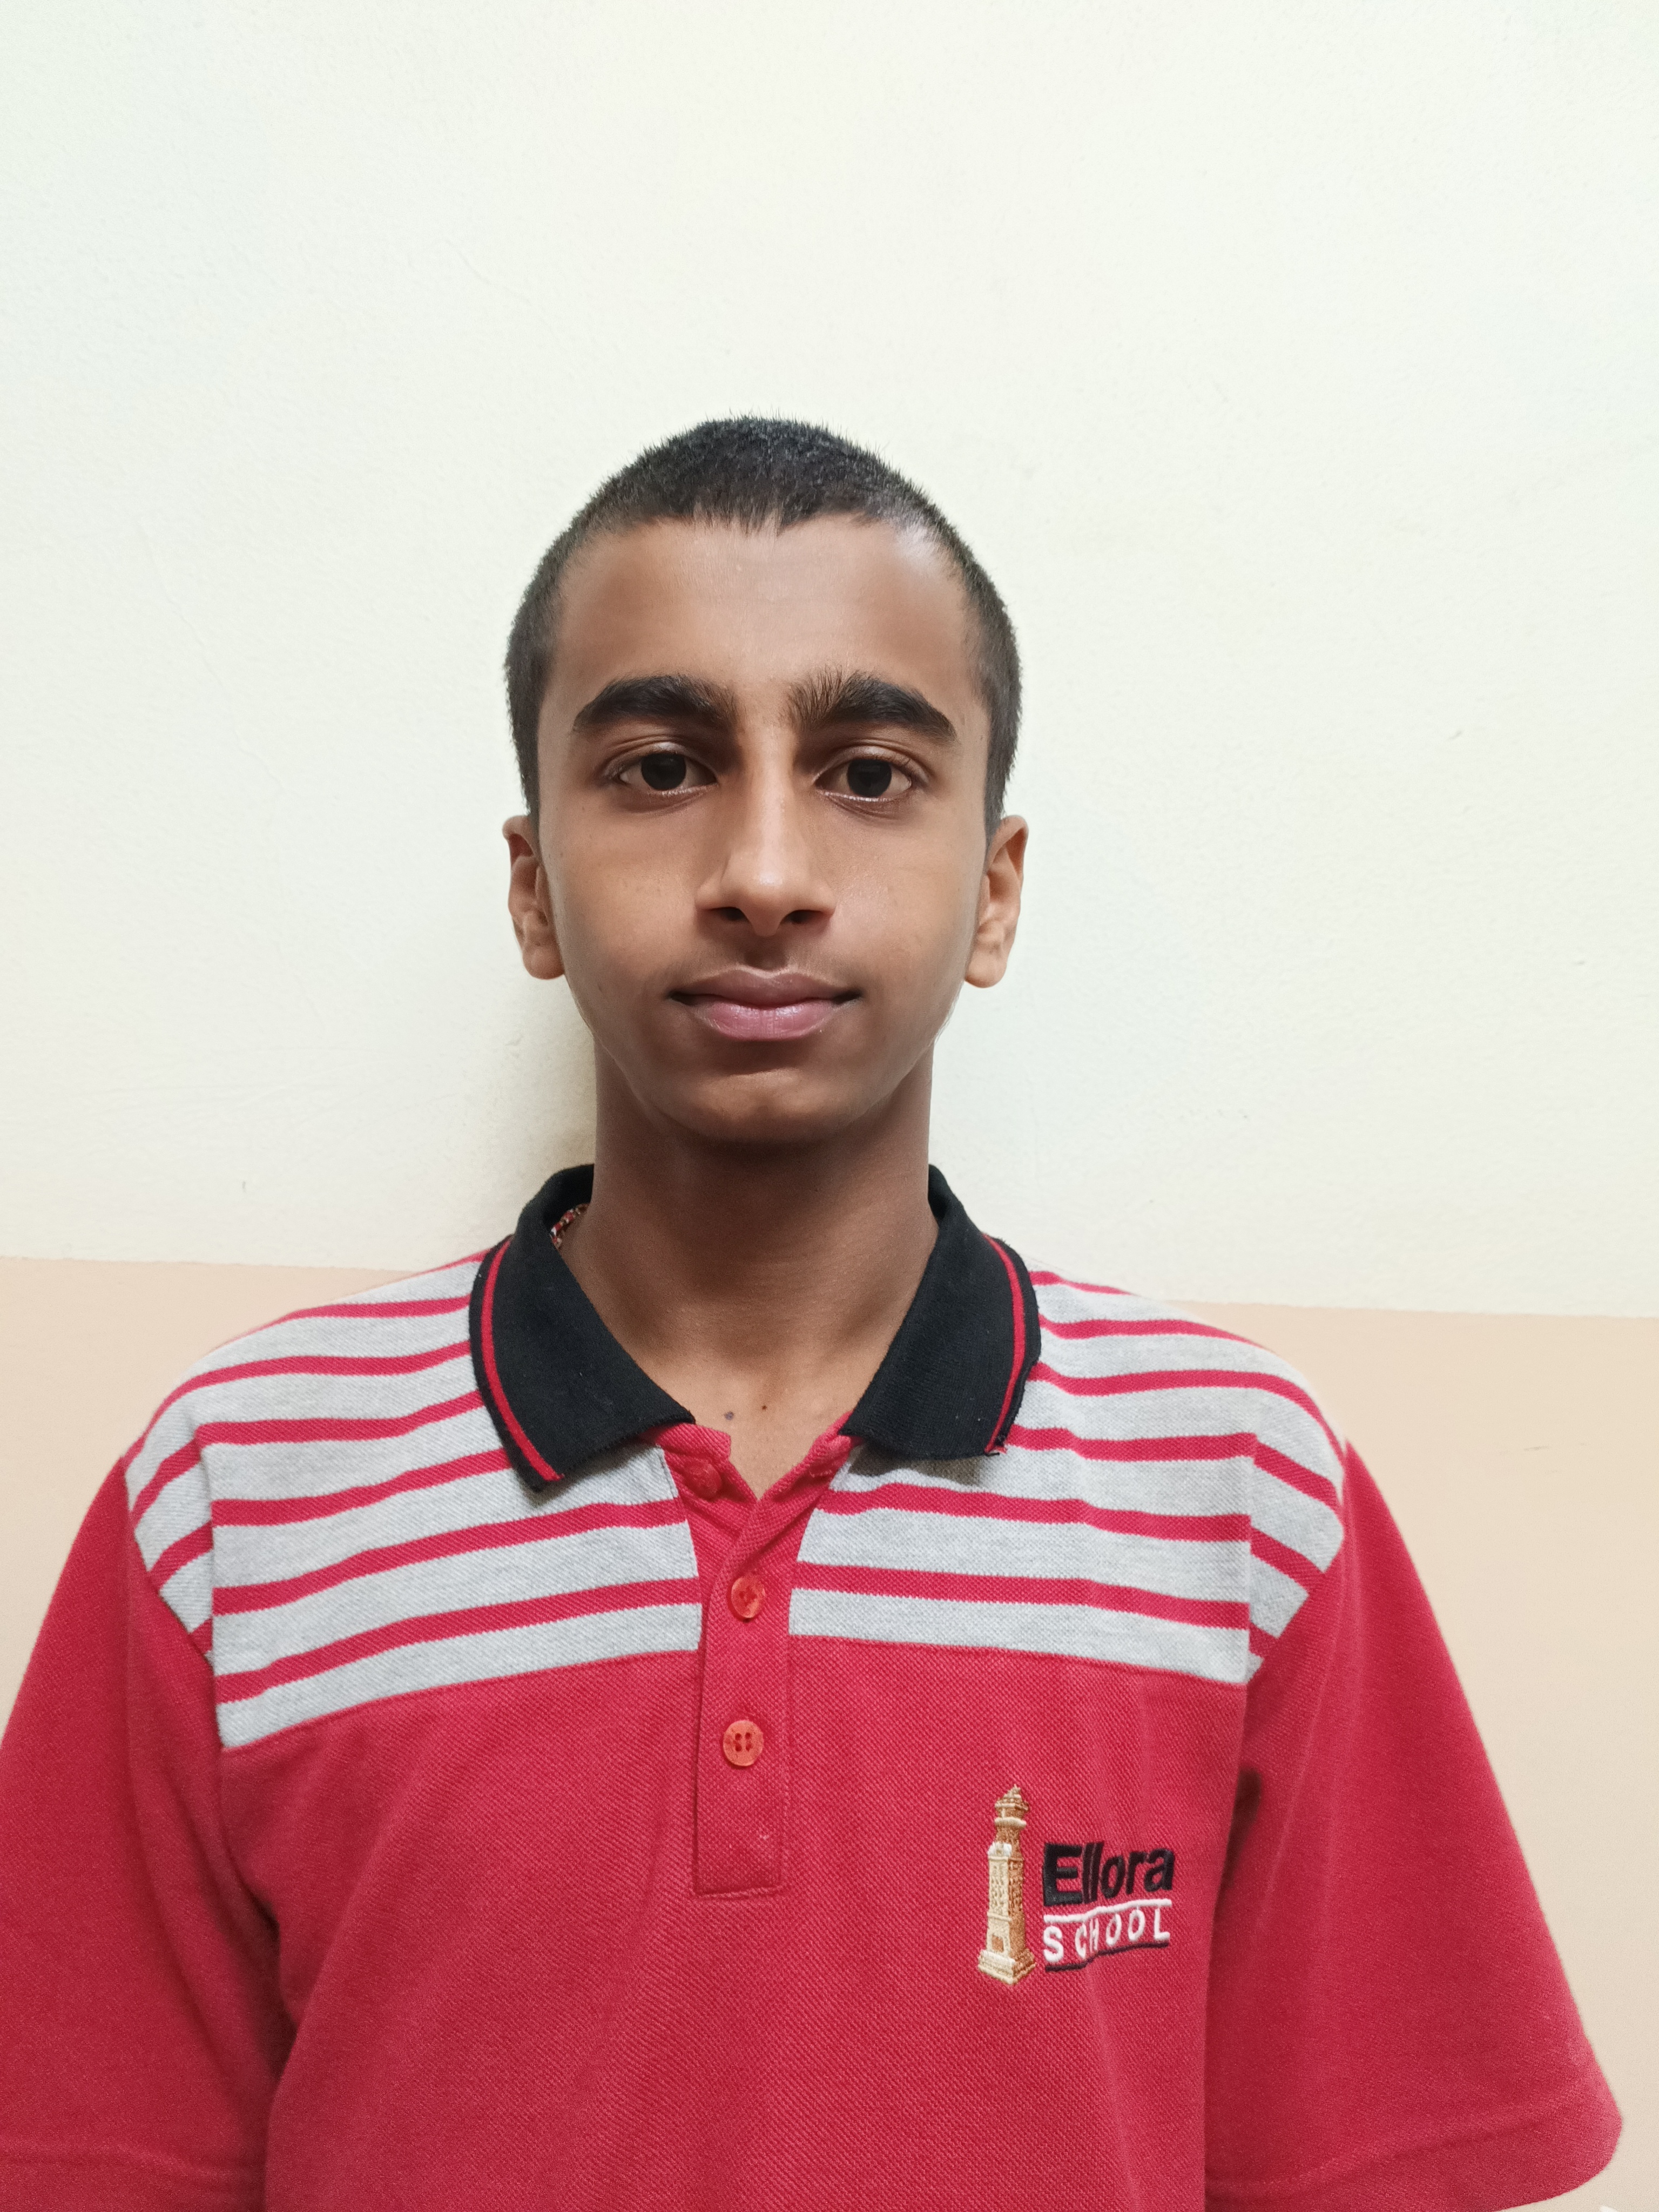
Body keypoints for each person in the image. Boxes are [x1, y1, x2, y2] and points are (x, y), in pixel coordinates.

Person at [0, 419, 1618, 2211]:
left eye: (866, 773)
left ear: (994, 891)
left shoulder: (1236, 1491)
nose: (765, 868)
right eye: (661, 765)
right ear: (533, 887)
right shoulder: (237, 1496)